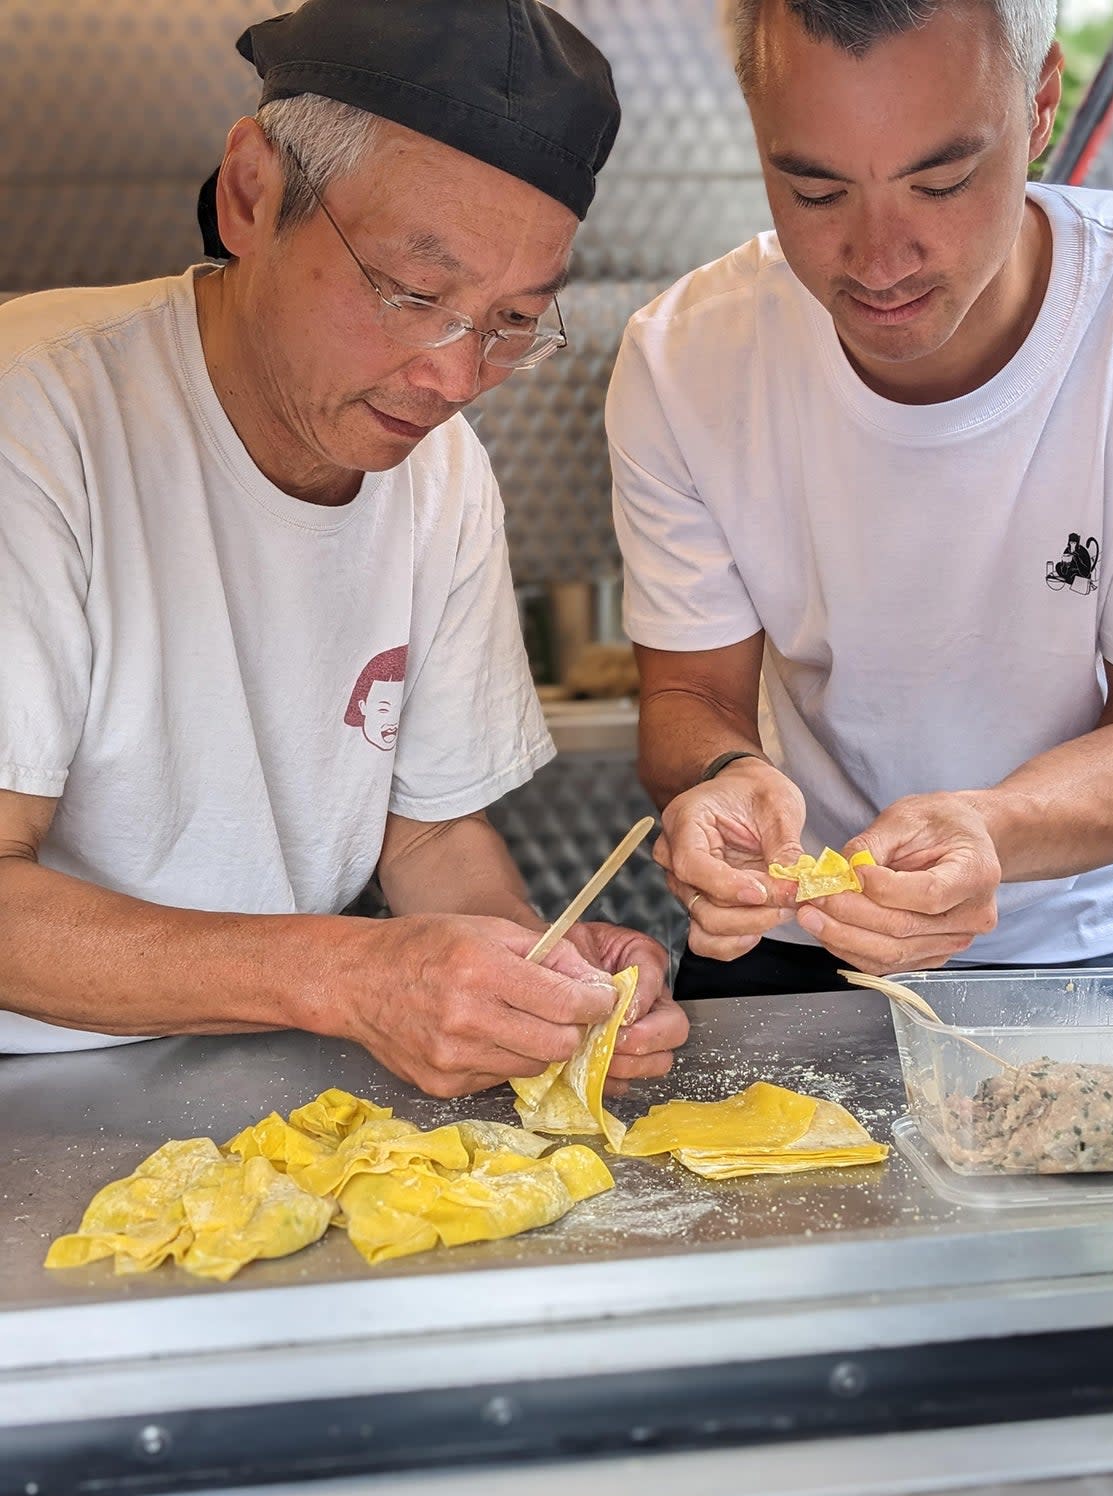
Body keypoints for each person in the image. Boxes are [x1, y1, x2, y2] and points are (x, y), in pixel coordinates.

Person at [0, 0, 688, 1090]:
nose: (456, 379)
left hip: (274, 1077)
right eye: (415, 294)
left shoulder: (442, 470)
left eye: (513, 322)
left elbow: (424, 840)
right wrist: (350, 975)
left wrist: (535, 980)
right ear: (252, 193)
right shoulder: (35, 419)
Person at [607, 0, 1113, 1001]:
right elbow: (689, 699)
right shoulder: (684, 359)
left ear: (1042, 102)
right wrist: (720, 781)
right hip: (807, 929)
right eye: (815, 189)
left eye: (943, 181)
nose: (880, 259)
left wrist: (992, 830)